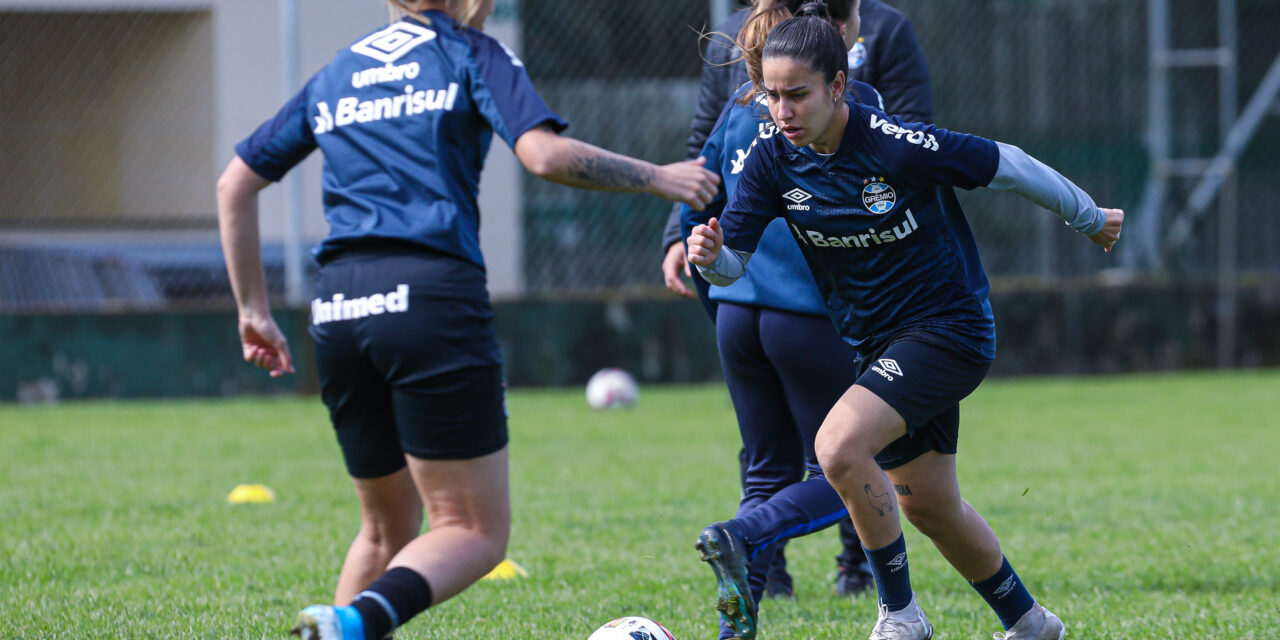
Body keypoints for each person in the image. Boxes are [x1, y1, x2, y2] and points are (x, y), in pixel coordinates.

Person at [216, 1, 719, 639]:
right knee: (473, 530)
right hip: (427, 297)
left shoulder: (337, 72)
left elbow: (234, 184)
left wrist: (253, 311)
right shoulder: (470, 52)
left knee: (383, 529)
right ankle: (356, 620)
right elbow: (542, 155)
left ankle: (344, 623)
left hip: (340, 304)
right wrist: (659, 177)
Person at [687, 5, 1122, 639]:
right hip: (874, 344)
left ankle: (899, 616)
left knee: (836, 446)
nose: (783, 111)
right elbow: (734, 266)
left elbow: (1009, 163)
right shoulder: (772, 161)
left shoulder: (894, 142)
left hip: (949, 329)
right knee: (930, 505)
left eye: (798, 95)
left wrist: (1089, 216)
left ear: (837, 86)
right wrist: (711, 258)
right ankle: (1030, 624)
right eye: (773, 96)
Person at [662, 0, 933, 598]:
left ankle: (743, 606)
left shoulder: (740, 110)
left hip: (738, 313)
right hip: (807, 312)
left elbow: (696, 188)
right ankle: (752, 537)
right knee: (847, 467)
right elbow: (907, 167)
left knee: (766, 471)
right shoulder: (850, 107)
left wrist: (692, 253)